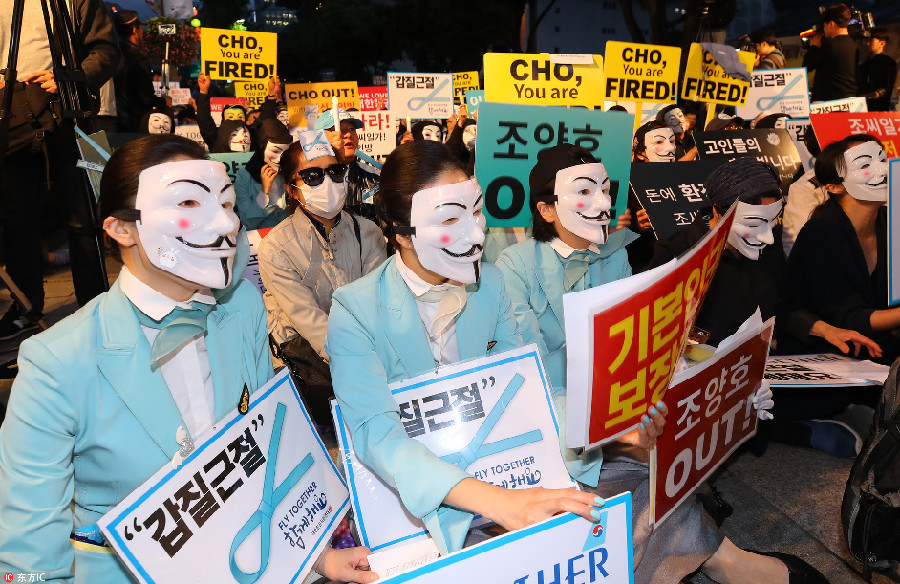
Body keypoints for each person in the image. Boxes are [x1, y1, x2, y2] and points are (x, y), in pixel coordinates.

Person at [0, 134, 377, 583]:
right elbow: (28, 560)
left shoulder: (242, 308)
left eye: (227, 203)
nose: (225, 223)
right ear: (122, 229)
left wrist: (314, 555)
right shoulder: (55, 362)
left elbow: (267, 449)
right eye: (189, 203)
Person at [495, 145, 827, 584]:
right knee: (638, 478)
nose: (603, 202)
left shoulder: (616, 255)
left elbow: (643, 346)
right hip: (559, 422)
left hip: (618, 407)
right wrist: (611, 426)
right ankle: (717, 558)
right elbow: (529, 370)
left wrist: (728, 381)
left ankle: (710, 554)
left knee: (660, 454)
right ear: (546, 209)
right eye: (584, 191)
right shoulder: (514, 266)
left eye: (606, 190)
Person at [325, 140, 600, 556]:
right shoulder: (354, 310)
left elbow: (526, 386)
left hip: (506, 465)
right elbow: (377, 433)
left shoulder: (492, 283)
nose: (476, 231)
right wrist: (496, 502)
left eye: (476, 210)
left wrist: (603, 424)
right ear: (402, 234)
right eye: (451, 218)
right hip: (414, 496)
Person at [0, 0, 120, 339]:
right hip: (11, 116)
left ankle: (96, 304)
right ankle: (26, 308)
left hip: (74, 113)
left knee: (86, 218)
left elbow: (107, 51)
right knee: (17, 220)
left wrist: (69, 78)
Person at [259, 131, 386, 423]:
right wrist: (358, 363)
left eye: (335, 172)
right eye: (312, 176)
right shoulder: (276, 247)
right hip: (308, 358)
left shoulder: (369, 232)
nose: (327, 183)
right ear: (292, 189)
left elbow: (377, 301)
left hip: (364, 349)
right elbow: (309, 320)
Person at [779, 134, 899, 363]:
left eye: (883, 160)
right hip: (827, 356)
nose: (883, 170)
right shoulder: (821, 233)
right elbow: (847, 318)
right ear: (834, 187)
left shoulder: (892, 222)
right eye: (865, 165)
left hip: (882, 350)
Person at [315, 109, 379, 219]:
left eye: (351, 129)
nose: (348, 134)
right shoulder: (312, 177)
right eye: (338, 129)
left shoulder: (373, 177)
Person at [112, 9, 166, 132]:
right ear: (135, 31)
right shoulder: (137, 59)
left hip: (115, 121)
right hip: (135, 122)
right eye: (140, 28)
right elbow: (147, 98)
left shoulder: (113, 54)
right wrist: (164, 102)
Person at [234, 118, 293, 229]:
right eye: (275, 151)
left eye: (285, 152)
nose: (280, 158)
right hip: (263, 236)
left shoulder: (291, 173)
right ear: (261, 148)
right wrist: (264, 192)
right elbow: (248, 222)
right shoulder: (244, 177)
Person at [803, 4, 858, 102]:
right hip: (850, 99)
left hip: (829, 101)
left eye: (825, 25)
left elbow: (807, 65)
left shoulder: (830, 45)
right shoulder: (853, 44)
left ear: (831, 24)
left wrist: (814, 45)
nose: (824, 29)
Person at [859, 28, 898, 112]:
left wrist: (872, 94)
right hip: (862, 108)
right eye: (865, 40)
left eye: (871, 40)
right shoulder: (864, 65)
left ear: (882, 43)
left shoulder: (888, 62)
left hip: (879, 109)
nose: (867, 43)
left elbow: (887, 87)